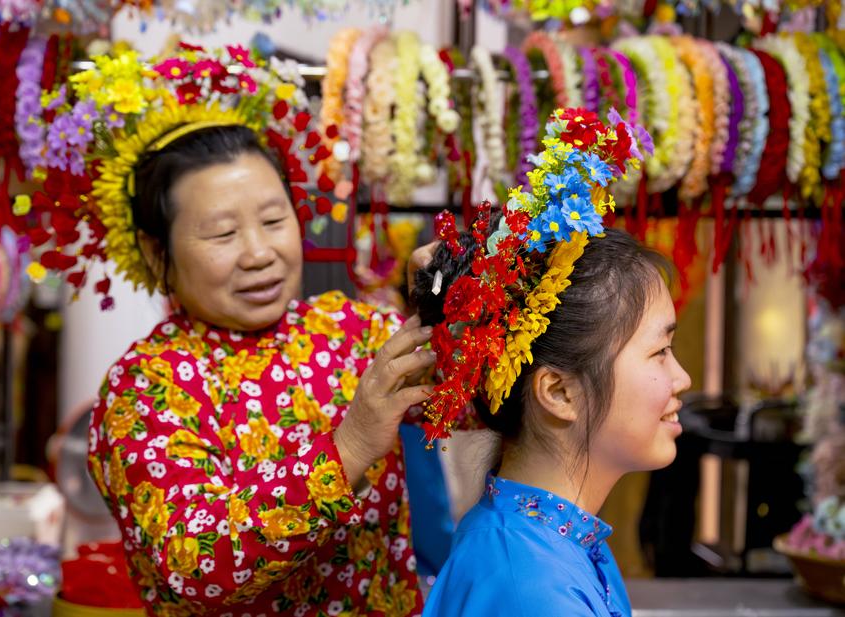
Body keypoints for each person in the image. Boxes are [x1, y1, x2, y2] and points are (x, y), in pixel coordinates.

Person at [36, 45, 436, 616]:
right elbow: (190, 566)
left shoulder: (350, 330)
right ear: (156, 253)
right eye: (222, 234)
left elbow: (467, 398)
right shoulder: (144, 391)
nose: (258, 253)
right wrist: (346, 450)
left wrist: (450, 300)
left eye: (274, 221)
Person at [414, 110, 691, 616]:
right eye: (659, 352)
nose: (682, 379)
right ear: (559, 392)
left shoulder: (552, 543)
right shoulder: (530, 587)